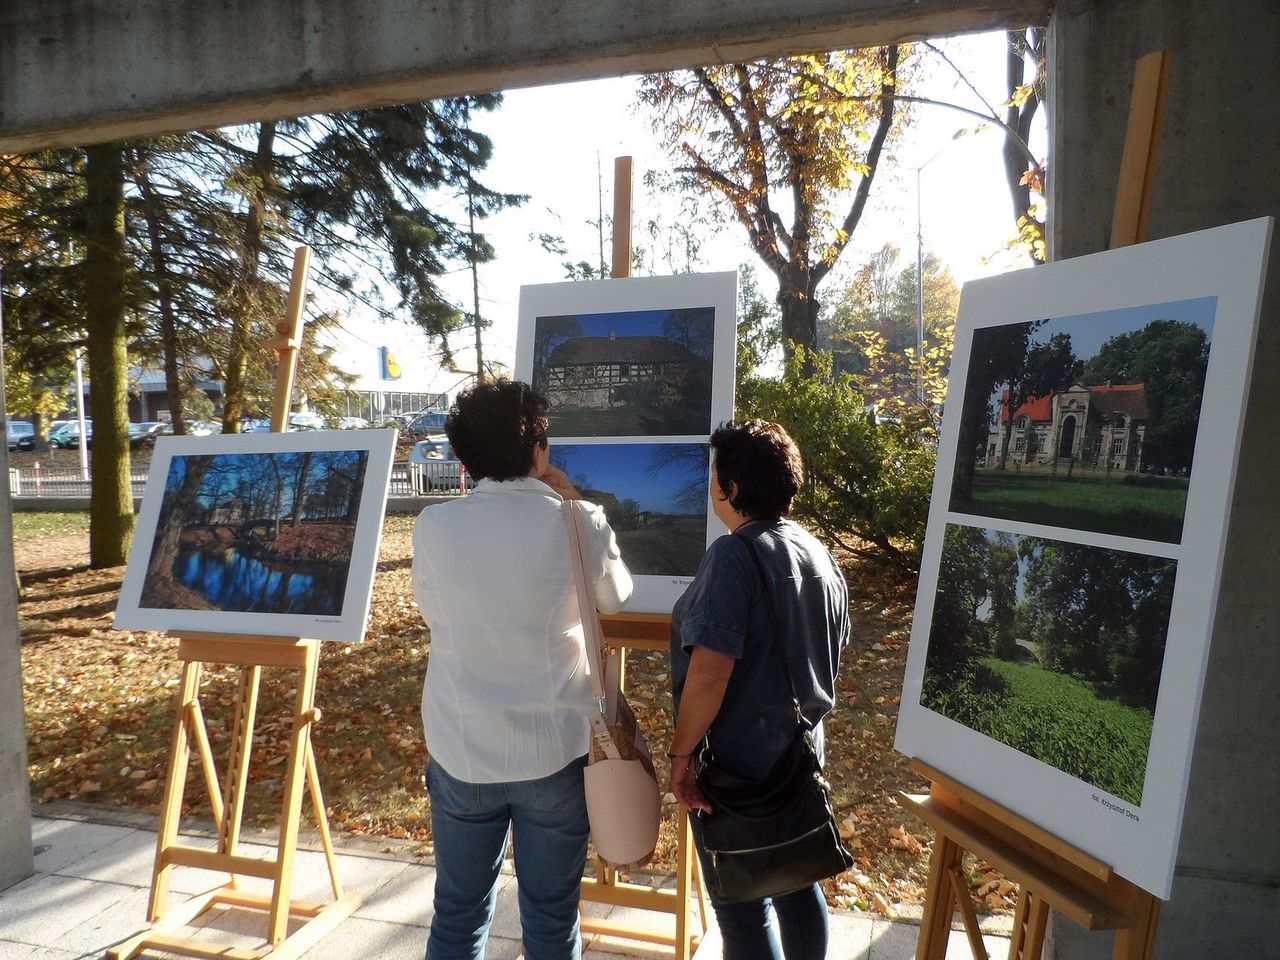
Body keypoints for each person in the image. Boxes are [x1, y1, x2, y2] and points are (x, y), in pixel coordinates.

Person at [411, 380, 633, 960]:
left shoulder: (434, 527)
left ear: (465, 460)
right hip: (554, 750)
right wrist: (573, 499)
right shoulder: (577, 520)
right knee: (553, 920)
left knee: (458, 915)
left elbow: (434, 612)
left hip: (462, 747)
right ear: (538, 449)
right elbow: (618, 598)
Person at [667, 419, 850, 960]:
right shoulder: (819, 554)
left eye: (714, 475)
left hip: (735, 771)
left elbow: (709, 672)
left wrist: (682, 754)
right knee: (797, 883)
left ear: (733, 489)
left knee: (741, 906)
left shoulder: (732, 555)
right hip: (799, 758)